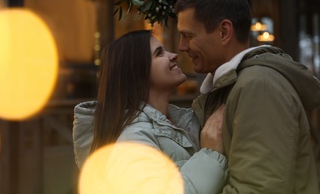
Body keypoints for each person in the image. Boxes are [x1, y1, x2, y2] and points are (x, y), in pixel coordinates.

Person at [174, 0, 320, 193]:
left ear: (224, 32)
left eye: (188, 36)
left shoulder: (259, 86)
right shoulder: (237, 85)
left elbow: (259, 189)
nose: (181, 46)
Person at [73, 30, 228, 193]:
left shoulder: (180, 120)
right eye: (159, 53)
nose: (173, 55)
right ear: (138, 72)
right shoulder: (132, 141)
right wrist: (210, 155)